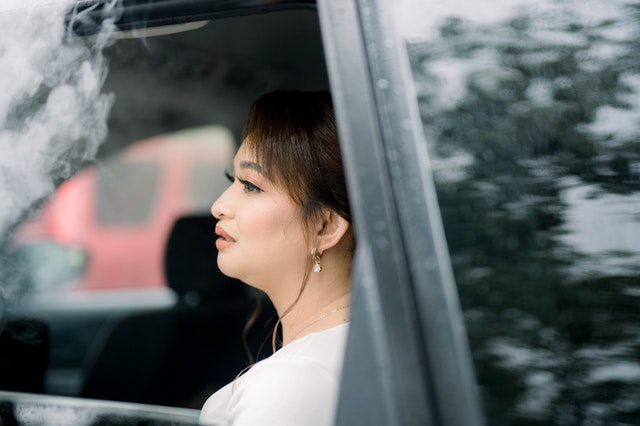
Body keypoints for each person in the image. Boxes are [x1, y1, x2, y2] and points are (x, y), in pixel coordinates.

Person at [200, 90, 354, 426]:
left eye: (251, 185)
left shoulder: (290, 381)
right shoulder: (356, 349)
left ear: (325, 227)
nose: (219, 206)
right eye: (232, 180)